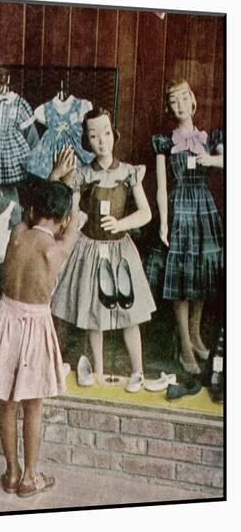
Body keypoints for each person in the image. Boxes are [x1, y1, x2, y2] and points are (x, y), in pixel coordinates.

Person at [0, 147, 78, 497]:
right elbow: (75, 221)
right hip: (34, 325)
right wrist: (70, 192)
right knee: (33, 404)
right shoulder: (56, 248)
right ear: (60, 221)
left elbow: (34, 211)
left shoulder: (17, 234)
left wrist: (54, 178)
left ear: (32, 212)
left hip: (5, 318)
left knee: (7, 401)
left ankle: (12, 471)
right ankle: (32, 476)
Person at [51, 108, 156, 392]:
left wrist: (121, 222)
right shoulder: (83, 174)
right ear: (87, 139)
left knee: (129, 311)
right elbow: (64, 209)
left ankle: (138, 370)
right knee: (94, 310)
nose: (102, 141)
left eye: (106, 133)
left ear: (114, 134)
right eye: (94, 136)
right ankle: (97, 369)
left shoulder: (129, 172)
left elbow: (145, 213)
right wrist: (62, 186)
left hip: (120, 248)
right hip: (91, 248)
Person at [146, 79, 223, 374]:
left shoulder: (210, 136)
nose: (179, 105)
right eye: (173, 101)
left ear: (192, 101)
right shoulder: (165, 143)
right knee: (180, 278)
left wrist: (212, 160)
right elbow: (162, 188)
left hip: (204, 209)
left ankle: (195, 333)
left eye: (183, 99)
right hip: (180, 209)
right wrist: (164, 222)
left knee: (201, 274)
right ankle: (184, 345)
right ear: (169, 107)